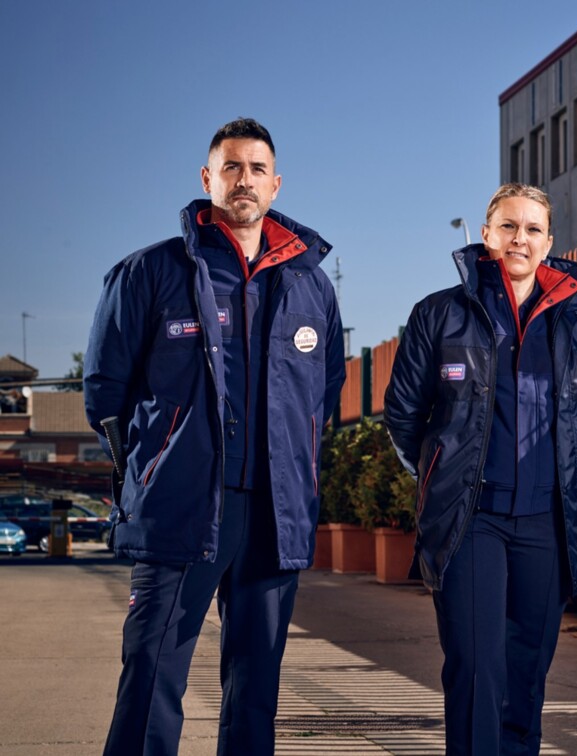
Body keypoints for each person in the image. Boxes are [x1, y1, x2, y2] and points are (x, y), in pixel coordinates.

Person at [83, 117, 346, 756]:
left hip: (275, 512)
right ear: (208, 178)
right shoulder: (151, 272)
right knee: (152, 671)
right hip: (183, 504)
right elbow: (105, 394)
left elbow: (326, 393)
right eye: (231, 167)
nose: (244, 180)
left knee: (256, 685)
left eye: (257, 169)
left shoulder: (311, 285)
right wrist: (152, 470)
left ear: (276, 184)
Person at [383, 183, 577, 755]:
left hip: (545, 522)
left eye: (532, 229)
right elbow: (403, 414)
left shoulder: (576, 319)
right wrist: (440, 475)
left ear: (549, 242)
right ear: (486, 236)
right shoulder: (439, 314)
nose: (519, 239)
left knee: (527, 676)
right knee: (477, 668)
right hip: (471, 518)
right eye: (508, 226)